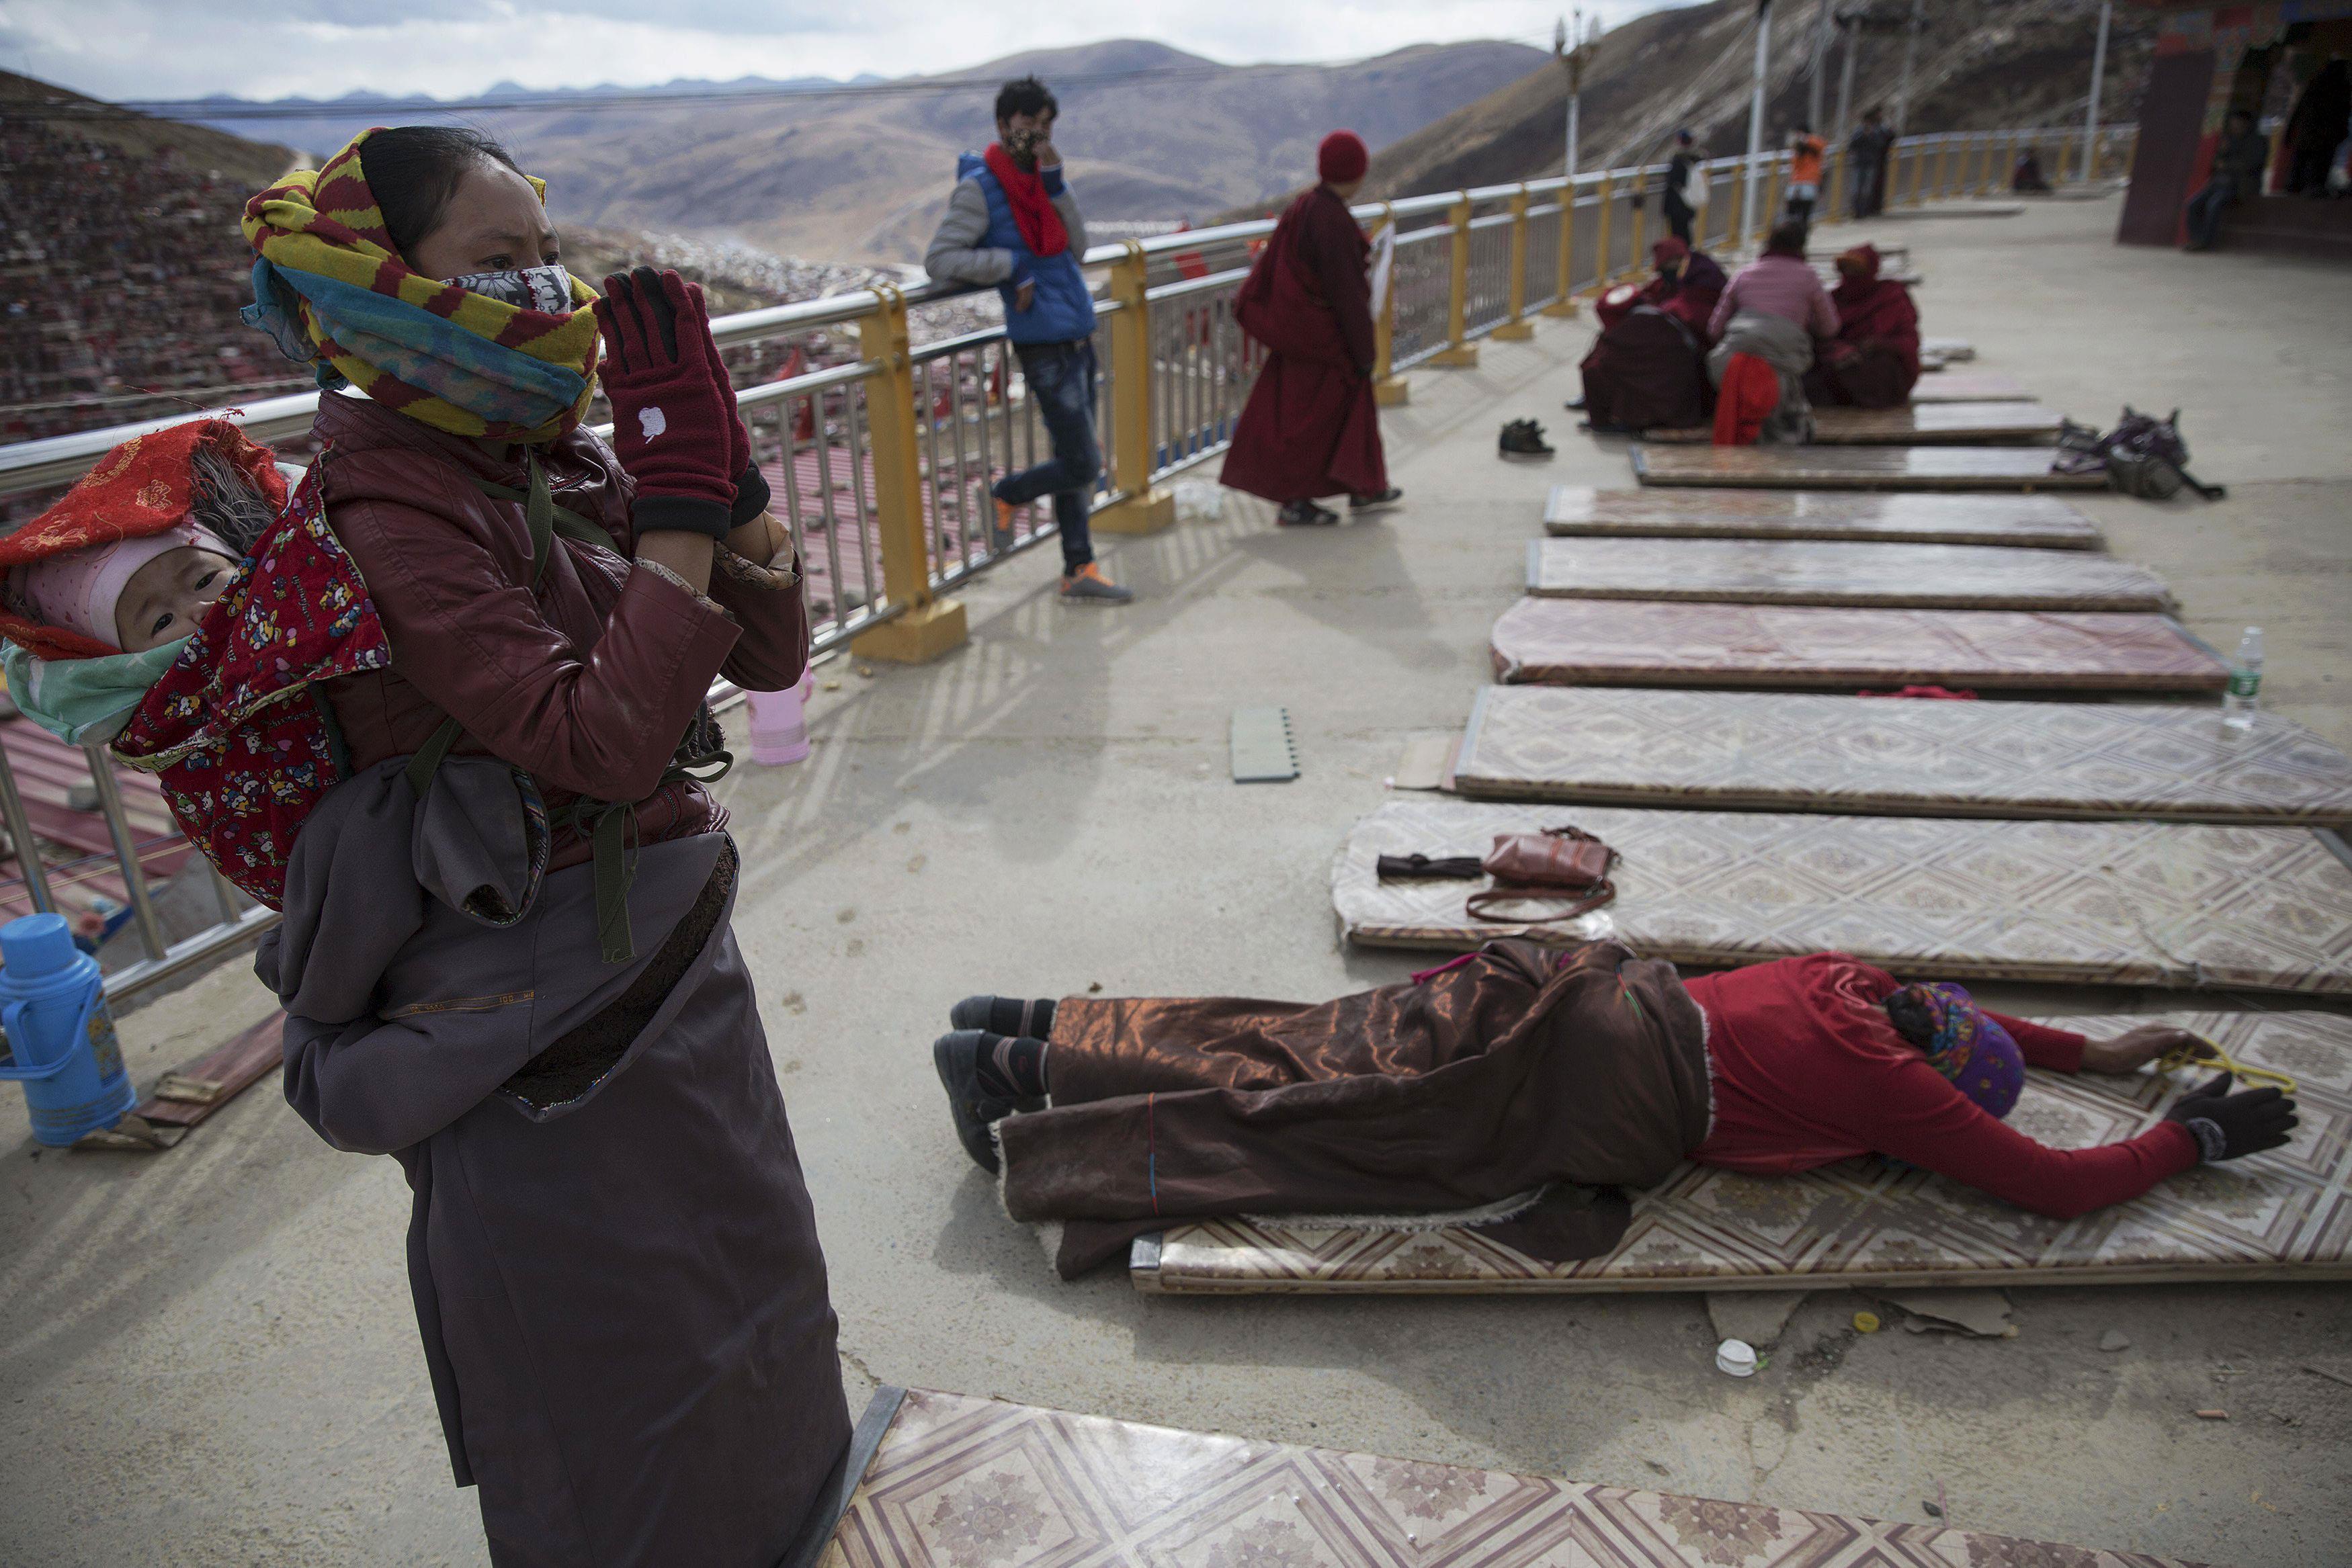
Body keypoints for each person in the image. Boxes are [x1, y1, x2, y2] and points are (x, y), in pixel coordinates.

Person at [239, 126, 847, 1567]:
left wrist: (717, 471)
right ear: (381, 283)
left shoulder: (540, 449)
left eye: (544, 256)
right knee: (619, 1379)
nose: (537, 293)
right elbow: (599, 744)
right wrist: (678, 520)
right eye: (492, 263)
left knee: (751, 1292)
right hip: (540, 1024)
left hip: (667, 966)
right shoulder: (389, 502)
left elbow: (769, 653)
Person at [929, 943, 2297, 1278]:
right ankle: (1021, 1115)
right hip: (1592, 1088)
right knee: (1328, 1132)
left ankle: (1030, 1034)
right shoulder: (1898, 1090)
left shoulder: (1855, 987)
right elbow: (2050, 1189)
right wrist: (2194, 1139)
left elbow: (1981, 1027)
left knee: (1293, 1038)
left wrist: (2103, 1051)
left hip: (1561, 984)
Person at [925, 76, 1131, 603]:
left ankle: (1078, 570)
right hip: (1042, 343)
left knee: (1074, 459)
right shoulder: (980, 189)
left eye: (1044, 126)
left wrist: (1058, 183)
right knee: (1084, 463)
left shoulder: (1046, 182)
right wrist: (1009, 265)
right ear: (1002, 125)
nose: (1035, 135)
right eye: (1026, 124)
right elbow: (941, 259)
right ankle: (1006, 493)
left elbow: (1079, 249)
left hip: (1078, 334)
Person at [0, 419, 278, 745]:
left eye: (204, 580)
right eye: (162, 621)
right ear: (126, 660)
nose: (201, 610)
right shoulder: (158, 720)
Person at [1221, 130, 1400, 526]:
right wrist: (1364, 351)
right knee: (1314, 423)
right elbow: (1348, 294)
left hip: (1299, 333)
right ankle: (1297, 500)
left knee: (1322, 414)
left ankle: (1364, 486)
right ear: (1355, 174)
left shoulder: (1305, 207)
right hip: (1324, 339)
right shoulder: (1333, 221)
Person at [1577, 236, 1726, 433]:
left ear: (1683, 261)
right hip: (1671, 342)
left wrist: (1667, 314)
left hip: (1689, 352)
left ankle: (1603, 405)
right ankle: (1597, 400)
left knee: (1614, 356)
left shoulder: (1705, 284)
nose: (1668, 272)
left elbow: (1705, 321)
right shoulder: (1665, 284)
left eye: (1671, 265)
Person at [1706, 218, 1836, 445]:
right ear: (1801, 246)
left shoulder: (1744, 274)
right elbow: (1830, 327)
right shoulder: (1809, 277)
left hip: (1730, 363)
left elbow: (1714, 328)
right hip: (1782, 365)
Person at [1803, 243, 1921, 409]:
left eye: (1856, 271)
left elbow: (1910, 342)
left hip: (1878, 368)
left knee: (1880, 367)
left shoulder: (1892, 298)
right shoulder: (1835, 299)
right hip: (1839, 364)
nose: (1850, 276)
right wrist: (1837, 349)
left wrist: (1880, 344)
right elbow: (1819, 334)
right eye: (1845, 270)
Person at [2185, 110, 2273, 251]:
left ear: (2246, 124)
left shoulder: (2256, 142)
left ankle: (2206, 243)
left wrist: (2227, 165)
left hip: (2238, 184)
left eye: (2238, 124)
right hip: (2218, 183)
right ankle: (2195, 240)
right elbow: (2217, 161)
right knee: (2192, 204)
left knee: (2213, 205)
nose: (2234, 127)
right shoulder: (2229, 140)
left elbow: (2251, 164)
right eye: (2233, 124)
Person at [1848, 107, 1894, 218]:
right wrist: (1863, 136)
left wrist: (1872, 136)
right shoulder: (1858, 132)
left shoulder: (1876, 131)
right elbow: (1852, 145)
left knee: (1867, 189)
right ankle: (1856, 211)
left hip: (1871, 163)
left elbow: (1881, 145)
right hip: (1859, 163)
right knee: (1856, 189)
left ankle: (1865, 211)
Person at [1660, 129, 1702, 245]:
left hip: (1677, 205)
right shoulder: (1695, 159)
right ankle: (1688, 256)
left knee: (1679, 235)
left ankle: (1683, 258)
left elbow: (1673, 180)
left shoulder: (1679, 161)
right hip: (1689, 203)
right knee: (1686, 233)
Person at [1784, 123, 1827, 224]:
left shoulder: (1814, 145)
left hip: (1810, 182)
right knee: (1791, 211)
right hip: (1796, 183)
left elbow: (1821, 145)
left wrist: (1805, 139)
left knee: (1805, 212)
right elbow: (1795, 166)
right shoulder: (1797, 150)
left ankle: (1802, 231)